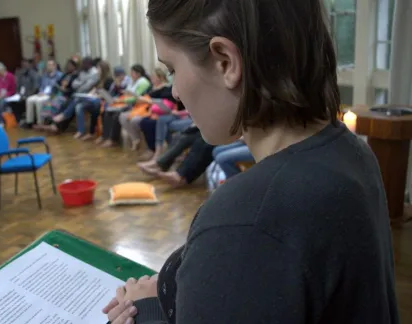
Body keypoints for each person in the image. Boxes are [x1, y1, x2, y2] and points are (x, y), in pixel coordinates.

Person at [104, 0, 399, 323]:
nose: (174, 91)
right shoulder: (353, 152)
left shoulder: (247, 218)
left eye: (173, 68)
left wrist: (142, 311)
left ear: (226, 62)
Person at [119, 68, 173, 151]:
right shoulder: (152, 87)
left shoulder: (166, 88)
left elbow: (164, 102)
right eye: (152, 77)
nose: (152, 79)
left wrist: (146, 100)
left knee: (136, 120)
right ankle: (135, 139)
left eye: (154, 77)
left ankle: (150, 147)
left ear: (160, 77)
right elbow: (145, 97)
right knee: (123, 116)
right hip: (144, 108)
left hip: (155, 111)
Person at [99, 64, 152, 147]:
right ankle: (106, 136)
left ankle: (113, 139)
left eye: (133, 73)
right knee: (107, 112)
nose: (131, 74)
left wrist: (121, 100)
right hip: (126, 103)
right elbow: (126, 92)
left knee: (116, 116)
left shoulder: (143, 82)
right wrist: (120, 97)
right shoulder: (132, 81)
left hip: (136, 105)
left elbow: (136, 97)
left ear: (138, 73)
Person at [74, 60, 114, 140]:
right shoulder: (99, 79)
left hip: (104, 101)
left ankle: (95, 133)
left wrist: (97, 95)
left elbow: (107, 95)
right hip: (95, 100)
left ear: (103, 69)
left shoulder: (109, 80)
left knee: (95, 109)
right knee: (79, 106)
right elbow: (95, 89)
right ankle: (81, 131)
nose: (97, 70)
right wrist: (91, 94)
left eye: (98, 68)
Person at [25, 59, 63, 125]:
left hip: (51, 95)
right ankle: (29, 122)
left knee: (39, 101)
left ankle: (40, 122)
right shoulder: (44, 75)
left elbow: (57, 89)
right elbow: (42, 86)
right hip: (42, 94)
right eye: (48, 65)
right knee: (29, 99)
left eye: (51, 65)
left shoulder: (59, 75)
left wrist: (46, 93)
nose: (49, 67)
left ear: (55, 66)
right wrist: (41, 92)